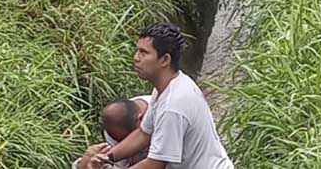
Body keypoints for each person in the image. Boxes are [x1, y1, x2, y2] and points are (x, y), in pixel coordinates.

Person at [96, 23, 234, 169]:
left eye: (144, 52)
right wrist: (106, 158)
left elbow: (155, 164)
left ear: (165, 60)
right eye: (137, 50)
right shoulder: (168, 87)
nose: (136, 58)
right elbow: (144, 134)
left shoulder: (173, 105)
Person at [75, 96, 153, 168]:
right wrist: (85, 164)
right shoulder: (114, 125)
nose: (121, 145)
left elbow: (155, 162)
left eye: (126, 140)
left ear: (141, 119)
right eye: (118, 141)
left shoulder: (161, 117)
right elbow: (120, 165)